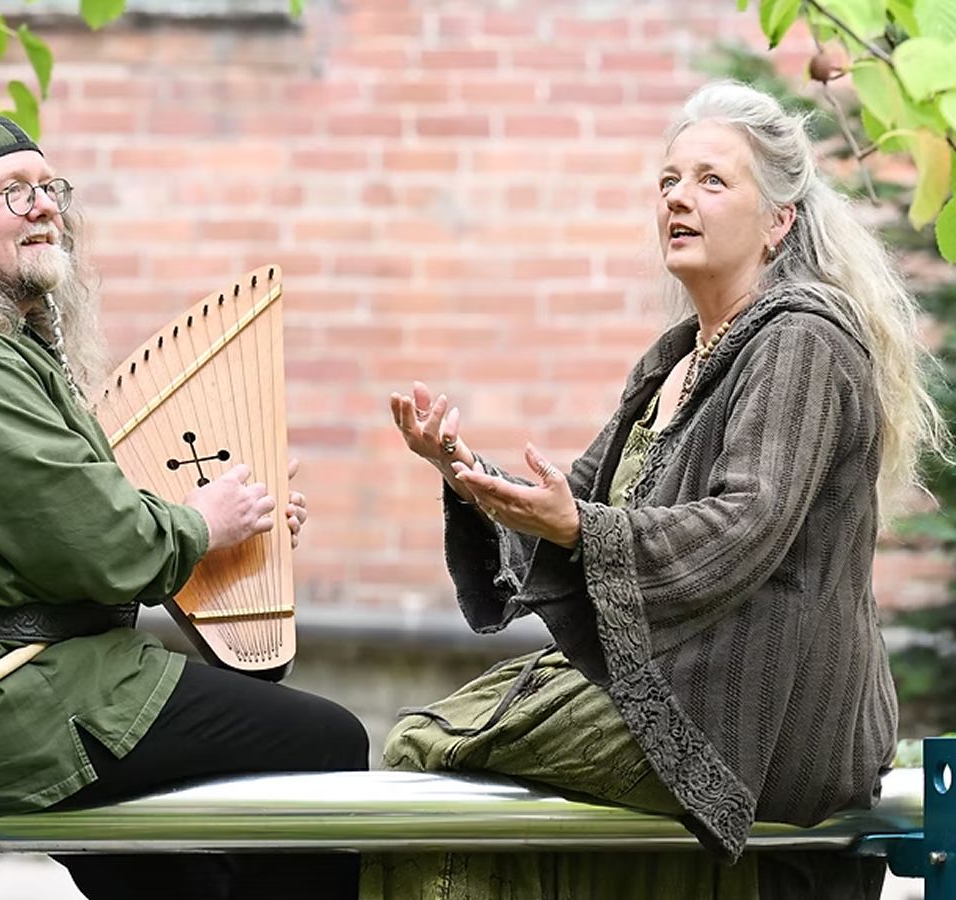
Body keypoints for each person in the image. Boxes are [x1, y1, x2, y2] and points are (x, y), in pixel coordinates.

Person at [372, 81, 945, 899]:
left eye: (712, 180)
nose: (678, 197)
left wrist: (581, 530)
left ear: (778, 221)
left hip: (760, 719)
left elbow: (746, 523)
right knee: (428, 754)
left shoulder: (803, 341)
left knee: (424, 748)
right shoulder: (674, 362)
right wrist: (470, 476)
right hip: (678, 685)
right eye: (669, 180)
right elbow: (573, 505)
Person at [0, 112, 368, 900]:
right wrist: (203, 525)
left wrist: (226, 527)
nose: (44, 206)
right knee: (322, 743)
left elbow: (75, 512)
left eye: (49, 188)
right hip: (6, 703)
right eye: (12, 192)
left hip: (29, 688)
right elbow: (99, 544)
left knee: (197, 887)